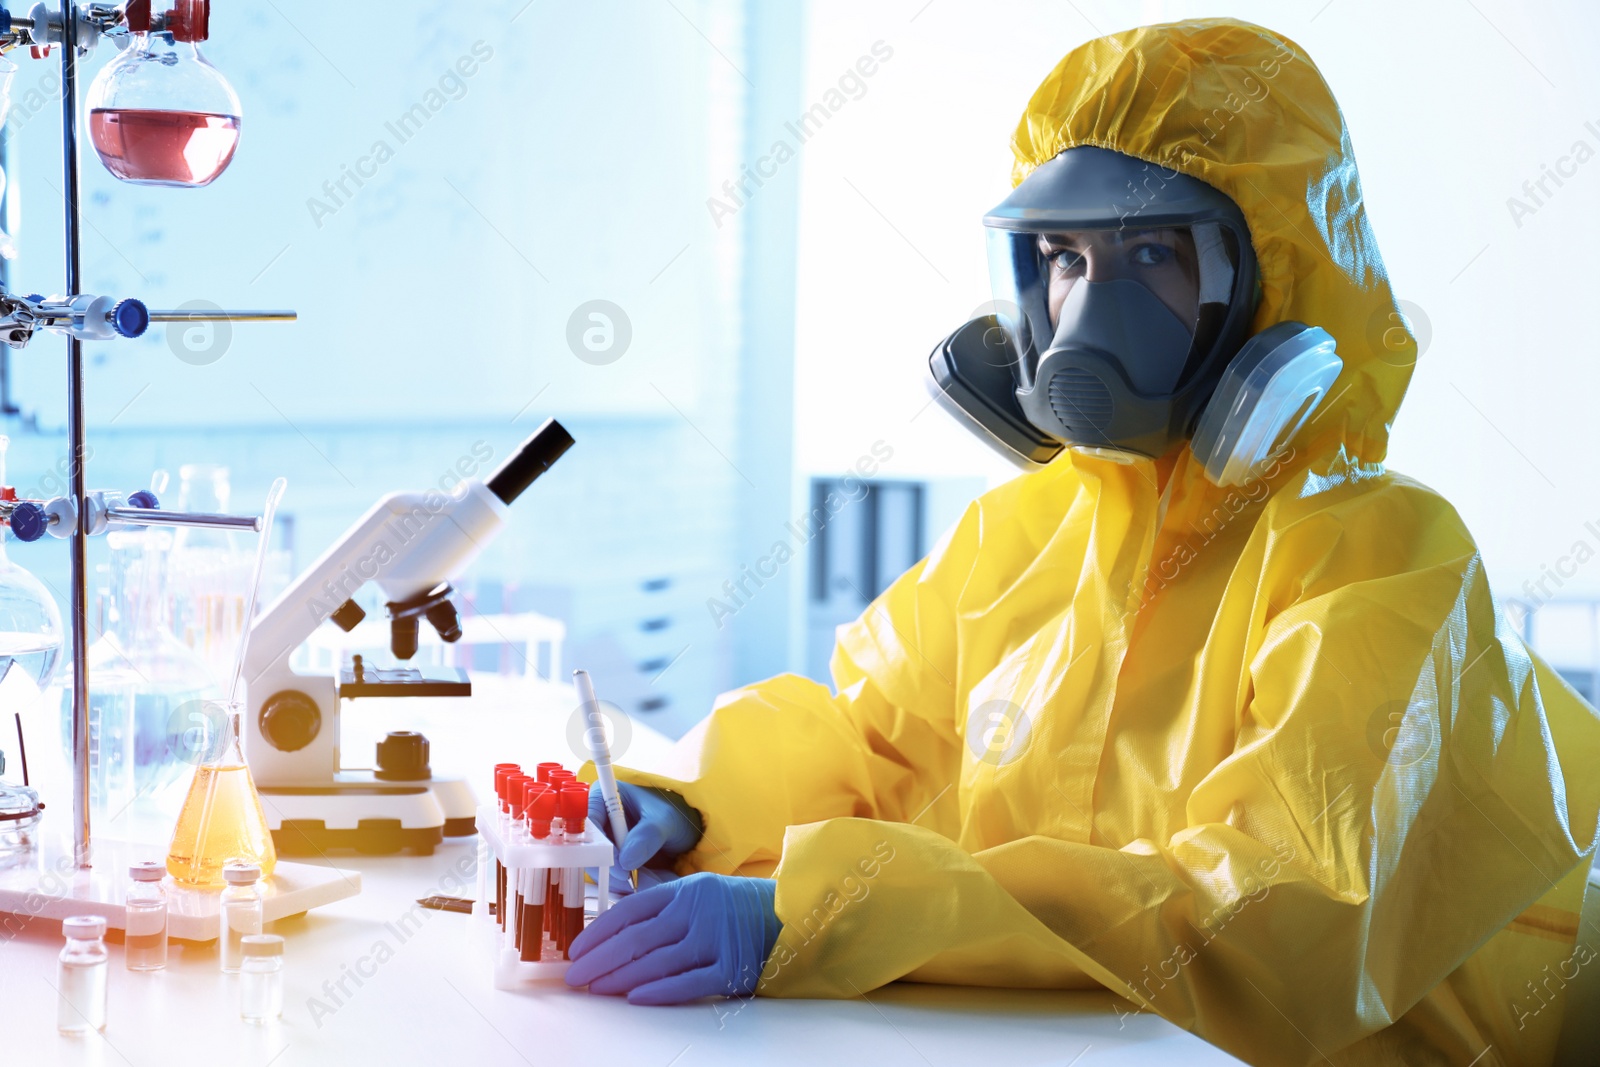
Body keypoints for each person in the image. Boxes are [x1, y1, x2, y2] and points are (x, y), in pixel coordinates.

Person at [564, 18, 1600, 1067]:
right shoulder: (1020, 532)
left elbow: (1276, 905)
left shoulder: (1381, 556)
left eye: (1149, 252)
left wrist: (814, 915)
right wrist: (689, 804)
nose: (1088, 306)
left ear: (1268, 280)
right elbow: (870, 744)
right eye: (1064, 255)